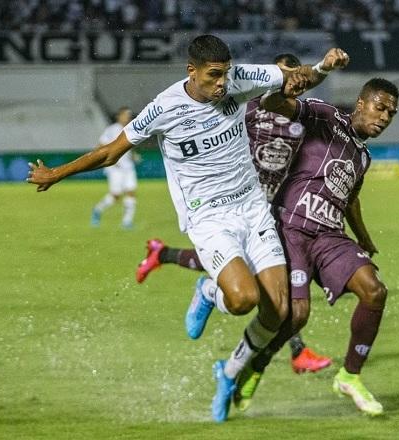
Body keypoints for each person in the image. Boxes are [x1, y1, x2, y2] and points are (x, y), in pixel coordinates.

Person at [27, 34, 349, 423]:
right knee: (243, 298)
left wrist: (321, 69)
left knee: (278, 310)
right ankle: (210, 289)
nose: (221, 83)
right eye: (213, 75)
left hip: (253, 207)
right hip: (208, 217)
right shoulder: (164, 108)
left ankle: (228, 372)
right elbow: (111, 152)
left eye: (225, 74)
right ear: (191, 71)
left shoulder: (239, 79)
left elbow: (293, 80)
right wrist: (56, 173)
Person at [136, 54, 332, 377]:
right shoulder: (249, 106)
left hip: (266, 210)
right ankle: (293, 349)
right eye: (285, 77)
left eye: (295, 81)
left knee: (269, 290)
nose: (290, 85)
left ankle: (165, 255)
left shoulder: (301, 122)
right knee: (245, 284)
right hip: (229, 205)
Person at [231, 77, 399, 417]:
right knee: (297, 315)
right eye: (380, 107)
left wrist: (363, 237)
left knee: (375, 291)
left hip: (329, 235)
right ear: (362, 102)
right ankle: (256, 365)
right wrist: (292, 82)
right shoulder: (325, 116)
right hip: (290, 227)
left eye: (391, 113)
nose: (384, 117)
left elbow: (350, 199)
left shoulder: (362, 157)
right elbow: (276, 104)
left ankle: (350, 376)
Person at [90, 106, 138, 229]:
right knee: (115, 196)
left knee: (131, 192)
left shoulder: (131, 129)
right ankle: (97, 210)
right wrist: (108, 160)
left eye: (129, 115)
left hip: (128, 167)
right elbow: (100, 145)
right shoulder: (112, 130)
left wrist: (133, 156)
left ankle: (127, 222)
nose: (127, 117)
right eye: (125, 115)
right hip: (116, 168)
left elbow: (128, 148)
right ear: (119, 116)